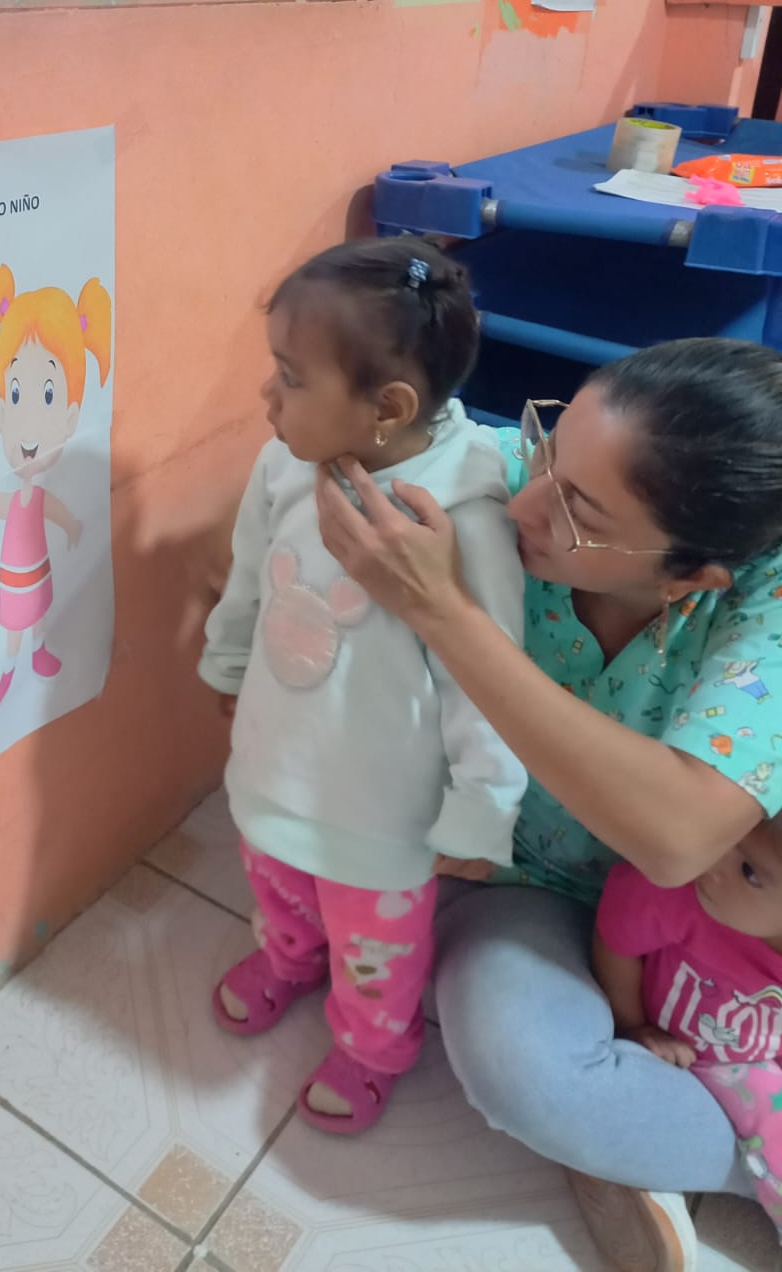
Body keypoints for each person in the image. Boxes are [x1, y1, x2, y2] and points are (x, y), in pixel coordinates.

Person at [313, 335, 782, 1268]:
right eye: (549, 448)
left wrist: (443, 611)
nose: (526, 501)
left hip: (712, 912)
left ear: (690, 577)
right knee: (516, 1062)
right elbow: (351, 447)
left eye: (577, 509)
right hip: (523, 882)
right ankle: (660, 1140)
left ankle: (697, 1146)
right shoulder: (501, 477)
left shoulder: (758, 598)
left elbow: (680, 839)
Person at [200, 240, 527, 1133]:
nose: (267, 396)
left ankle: (373, 1049)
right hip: (277, 756)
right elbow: (249, 576)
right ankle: (289, 959)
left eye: (290, 377)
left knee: (376, 949)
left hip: (384, 809)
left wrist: (481, 811)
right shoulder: (282, 466)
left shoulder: (462, 520)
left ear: (388, 408)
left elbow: (487, 679)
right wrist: (229, 660)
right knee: (277, 881)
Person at [594, 819, 782, 1242]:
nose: (713, 865)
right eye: (726, 839)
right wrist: (633, 1025)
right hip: (696, 1057)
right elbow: (616, 938)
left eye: (749, 871)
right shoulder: (681, 895)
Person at [0, 264, 111, 720]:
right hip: (15, 576)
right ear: (1, 412)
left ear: (71, 417)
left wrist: (71, 525)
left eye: (48, 394)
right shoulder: (20, 498)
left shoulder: (38, 494)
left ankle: (38, 652)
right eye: (16, 394)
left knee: (40, 614)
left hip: (38, 572)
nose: (28, 423)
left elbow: (54, 509)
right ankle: (8, 672)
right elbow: (2, 505)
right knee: (14, 624)